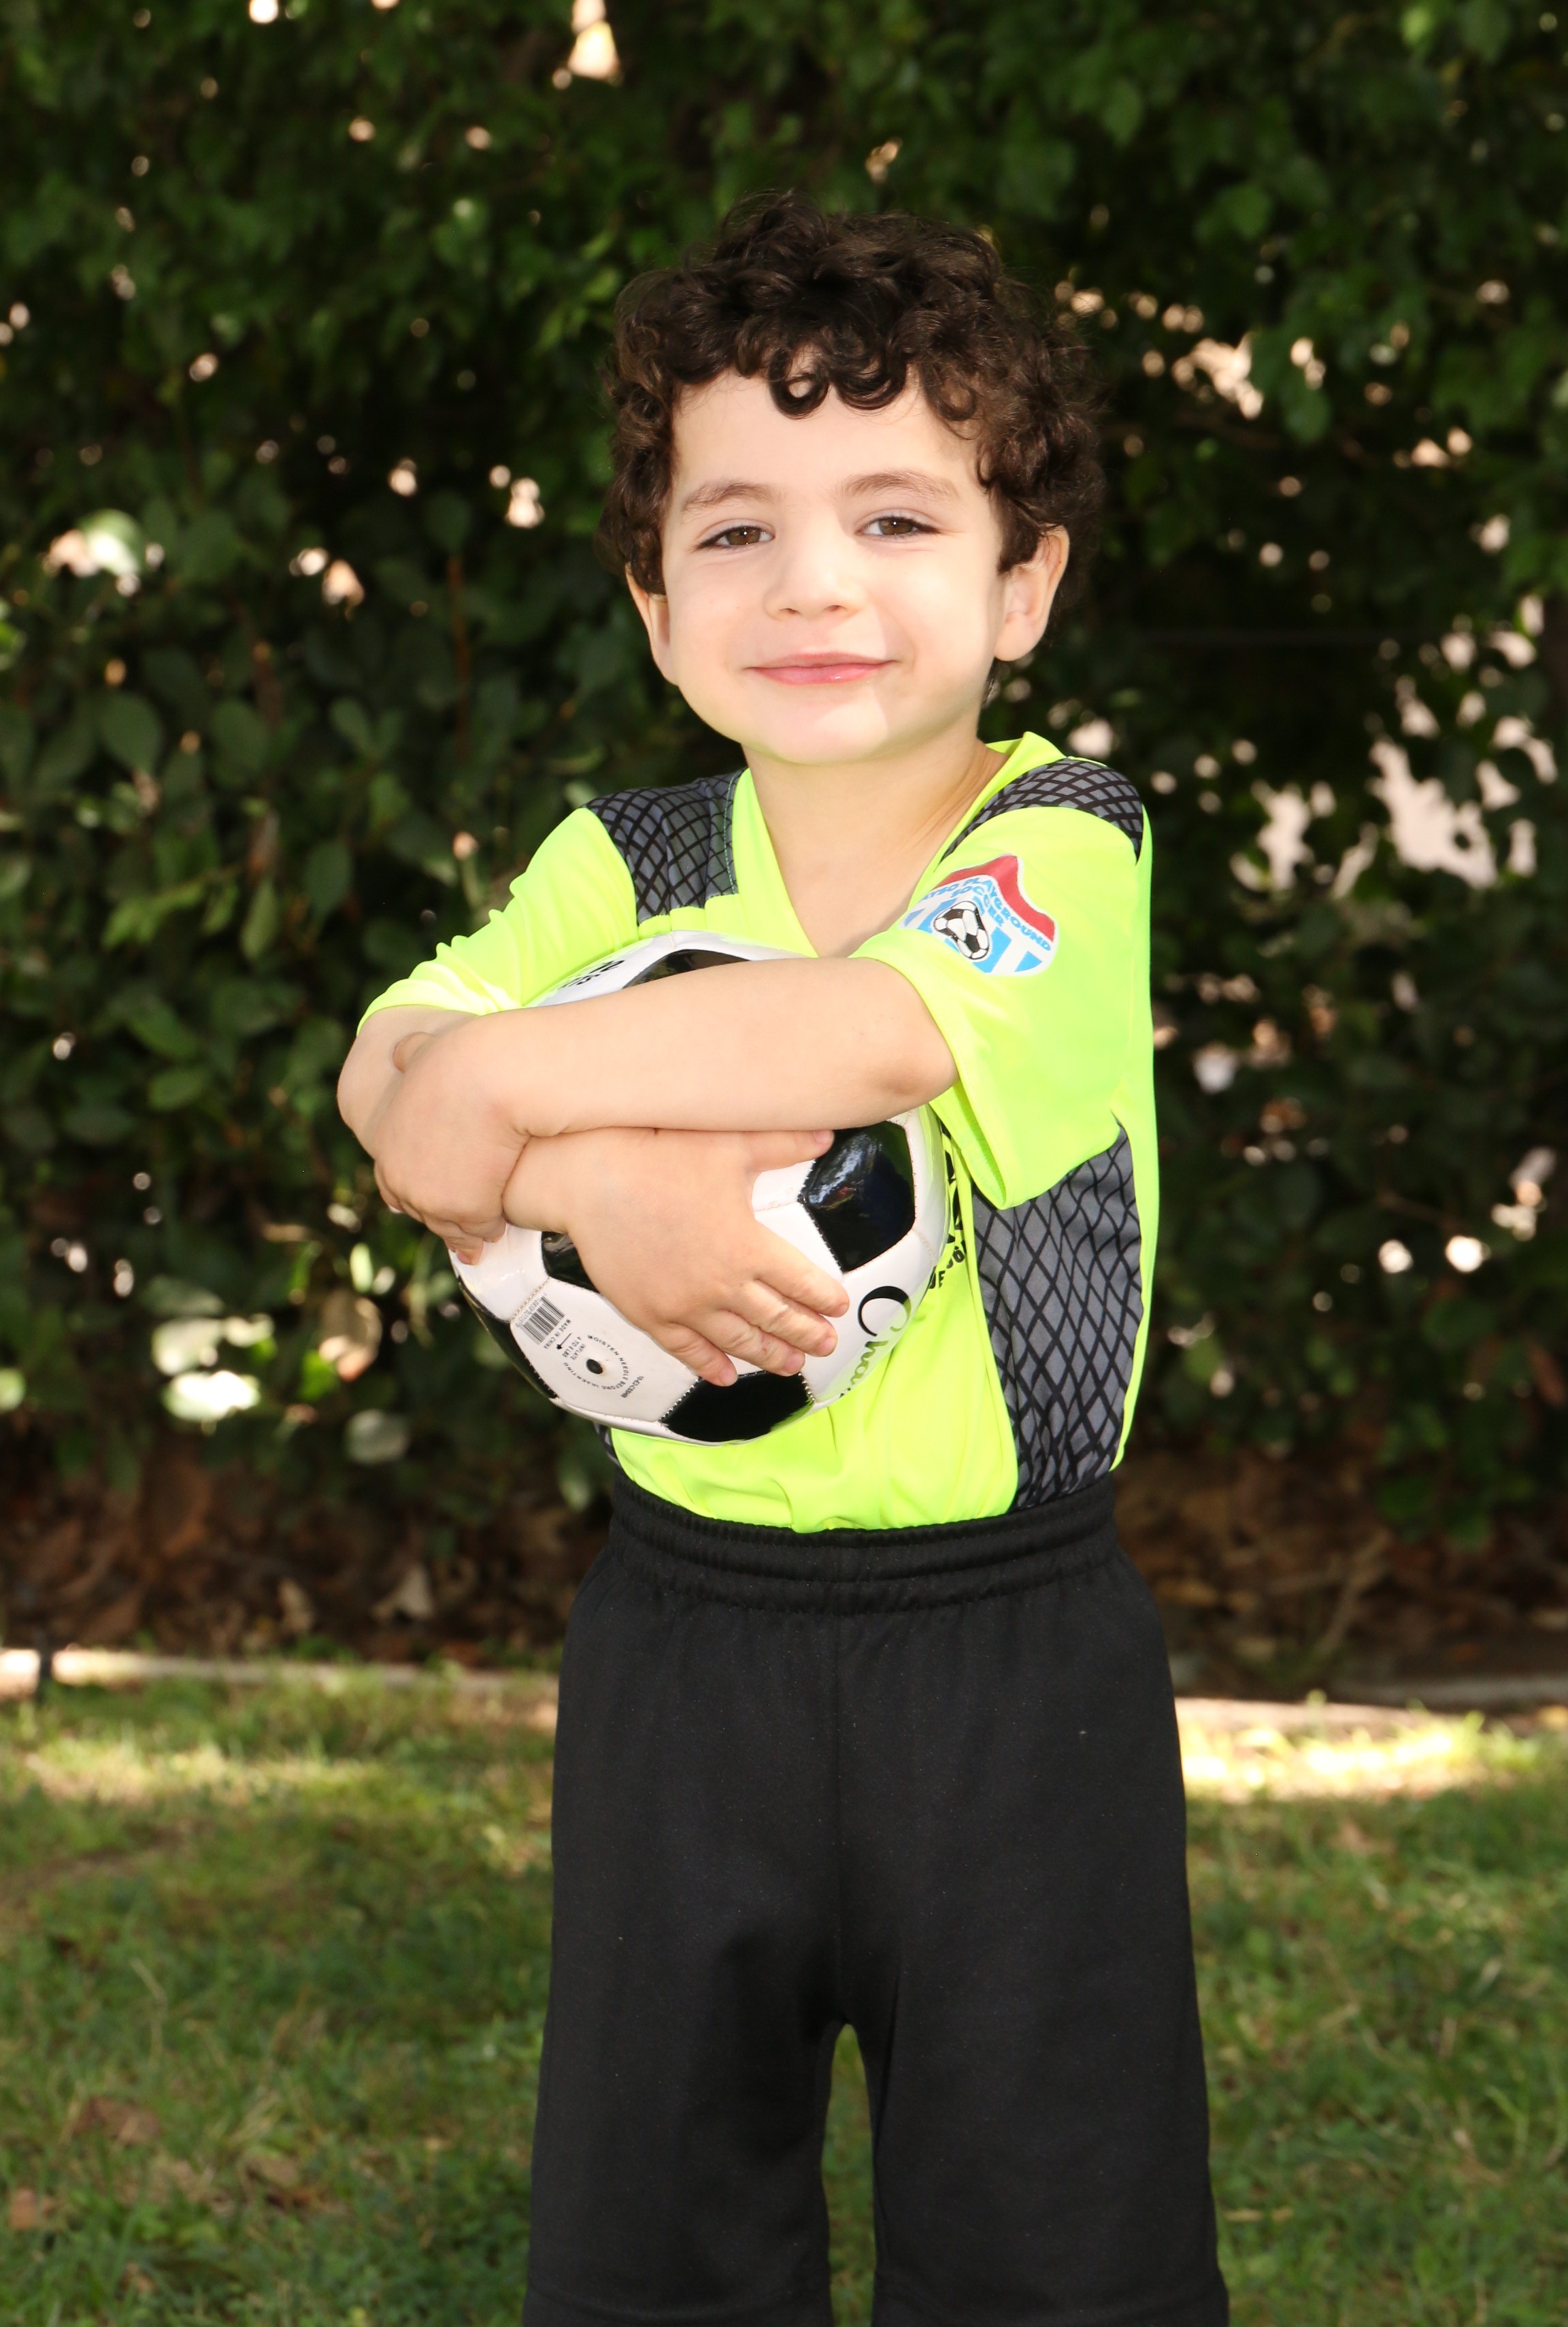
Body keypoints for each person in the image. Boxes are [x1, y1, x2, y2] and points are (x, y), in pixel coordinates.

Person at [339, 196, 1227, 2327]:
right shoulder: (624, 862)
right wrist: (598, 1184)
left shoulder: (1062, 841)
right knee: (653, 2223)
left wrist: (513, 1106)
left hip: (1010, 1665)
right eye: (737, 532)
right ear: (658, 611)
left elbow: (875, 1033)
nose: (815, 581)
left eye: (897, 519)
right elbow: (387, 1067)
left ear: (1024, 586)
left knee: (1054, 2238)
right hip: (683, 1644)